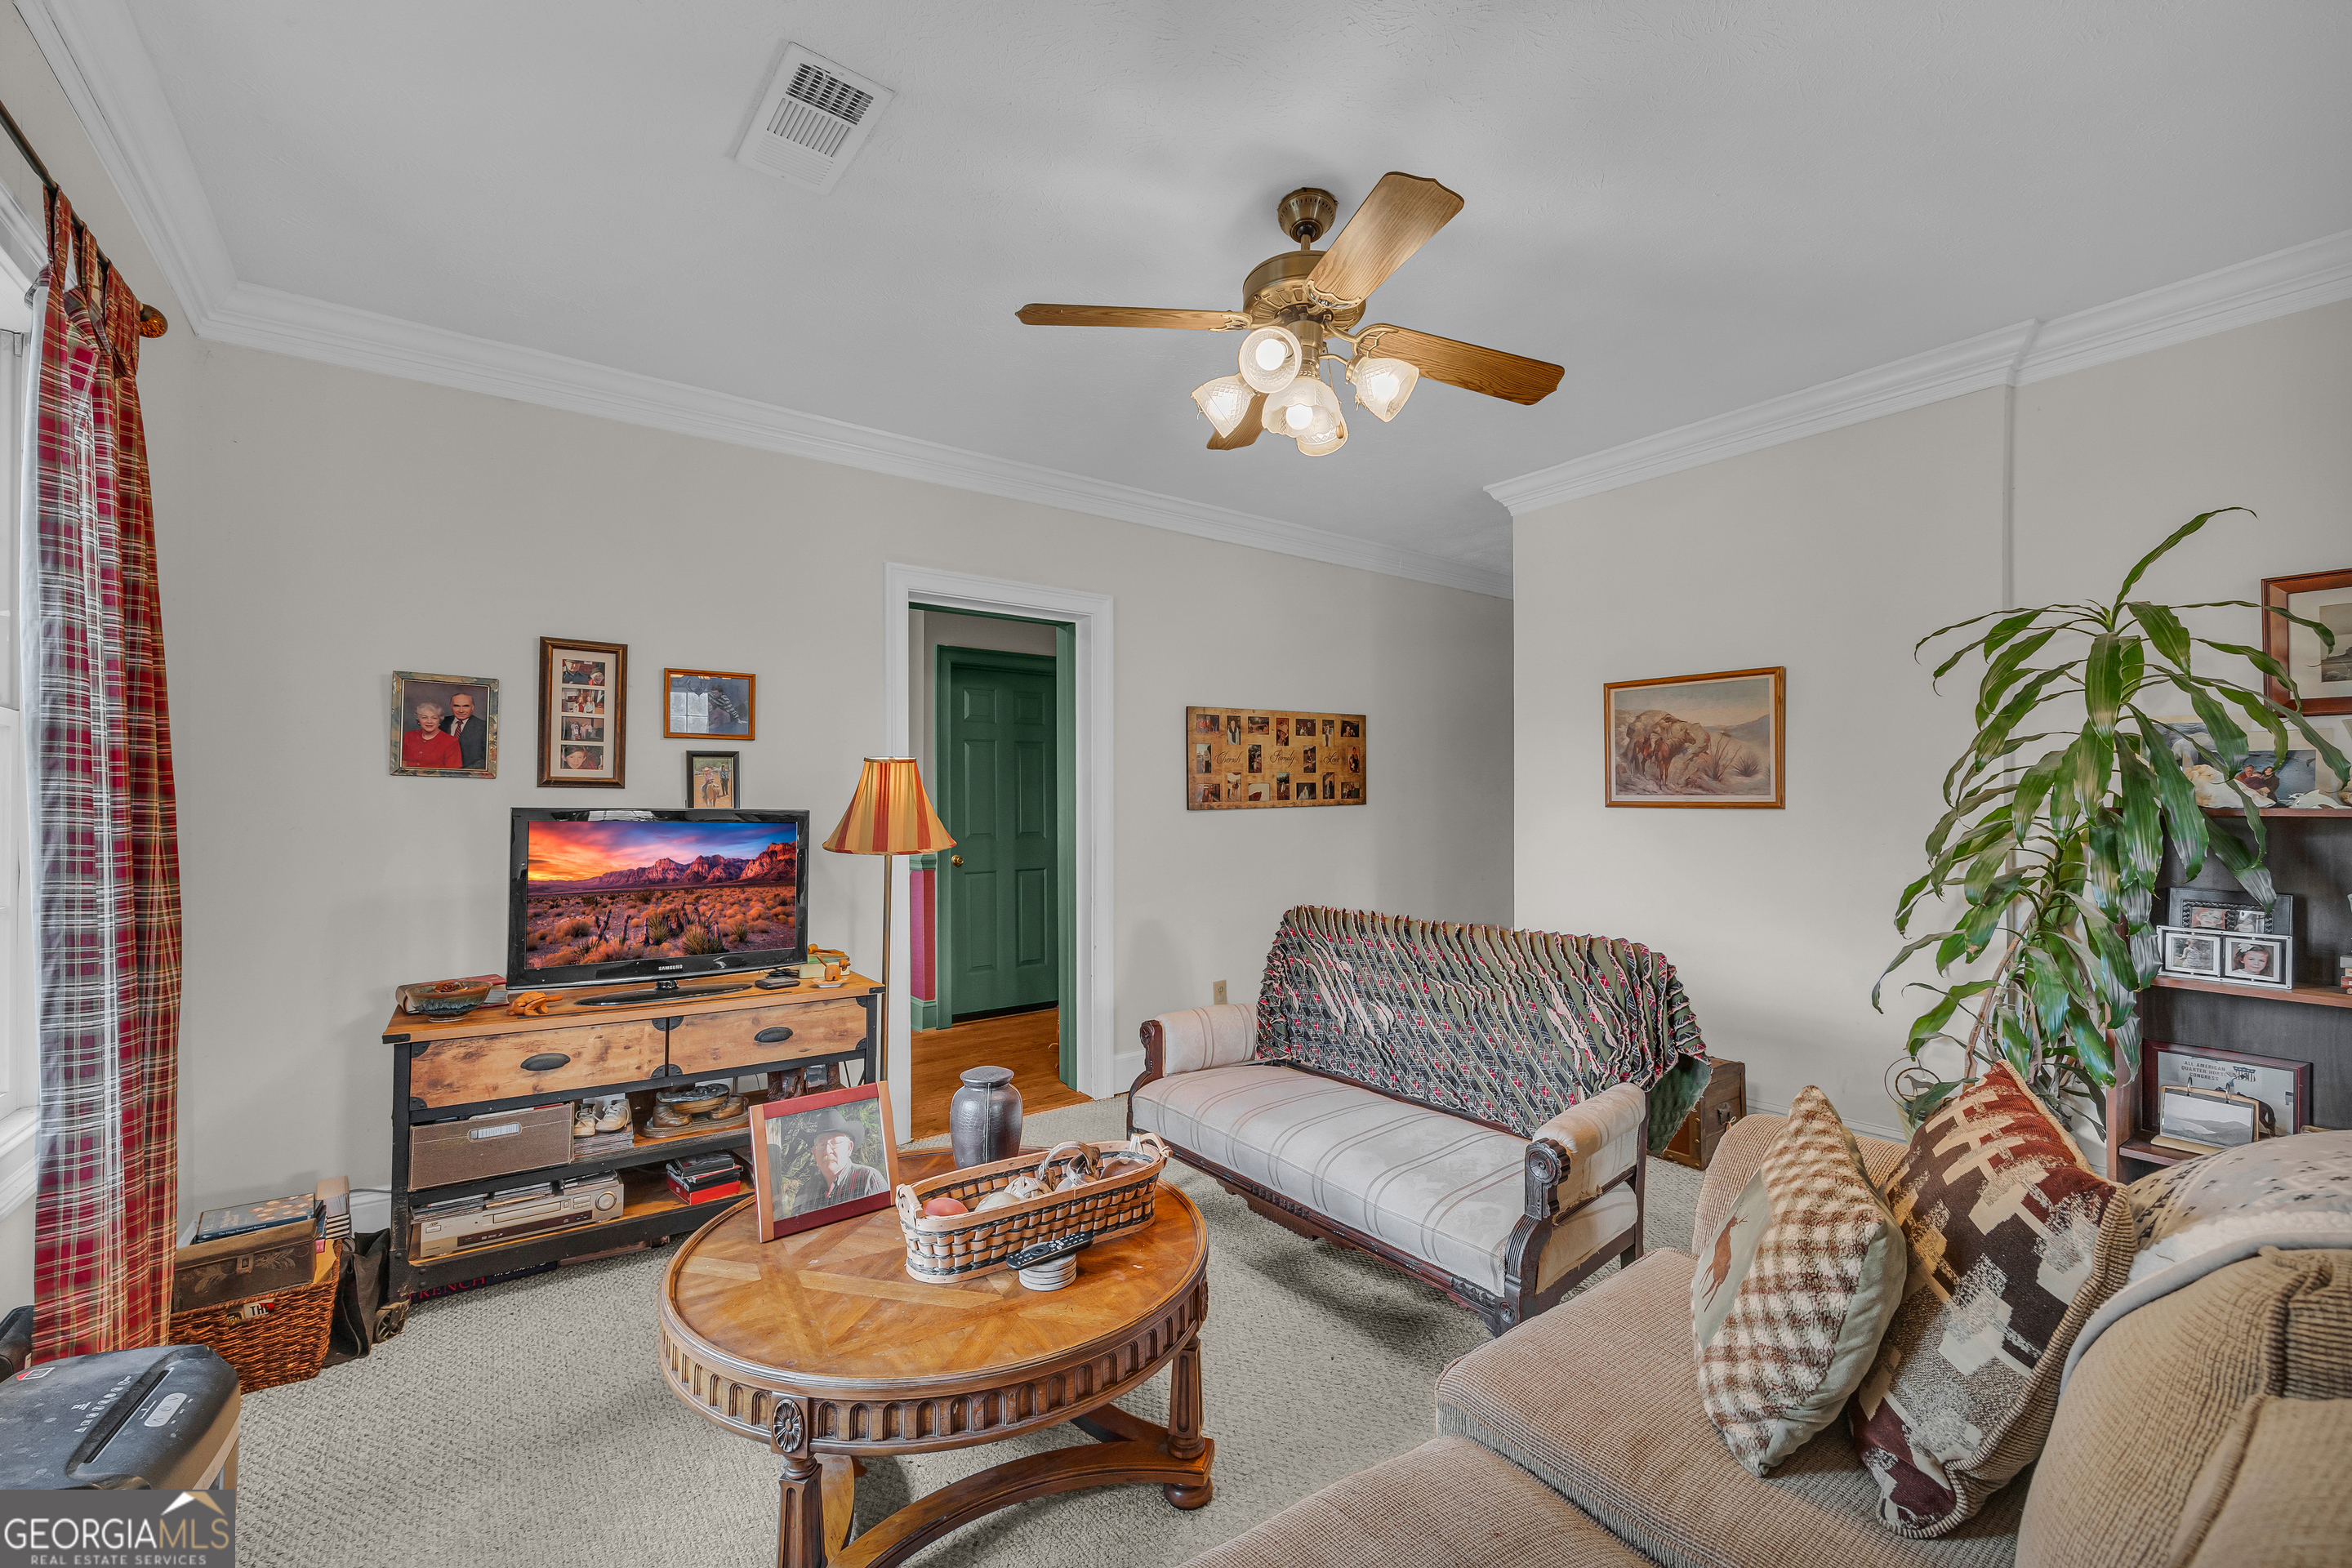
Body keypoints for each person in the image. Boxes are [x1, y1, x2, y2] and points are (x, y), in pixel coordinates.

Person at [793, 1112, 886, 1214]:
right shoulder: (805, 1192)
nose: (828, 1151)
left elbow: (885, 1224)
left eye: (835, 1143)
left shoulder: (869, 1179)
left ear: (849, 1148)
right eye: (822, 1144)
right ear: (814, 1154)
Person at [403, 702, 461, 768]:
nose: (429, 721)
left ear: (439, 721)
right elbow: (402, 762)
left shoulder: (451, 741)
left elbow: (452, 771)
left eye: (434, 718)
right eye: (424, 717)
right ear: (419, 720)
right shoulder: (409, 735)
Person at [446, 690, 487, 769]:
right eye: (456, 706)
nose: (461, 710)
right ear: (451, 707)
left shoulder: (484, 727)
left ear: (473, 707)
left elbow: (488, 759)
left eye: (466, 706)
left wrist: (463, 773)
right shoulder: (441, 723)